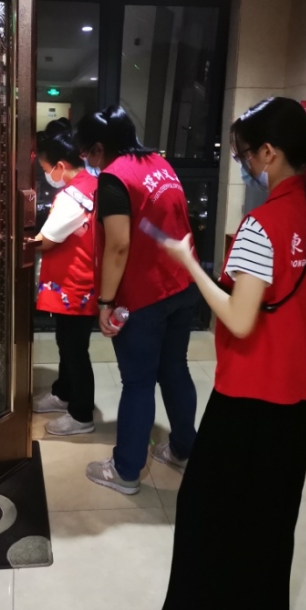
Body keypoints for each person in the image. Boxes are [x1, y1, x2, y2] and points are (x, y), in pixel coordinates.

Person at [107, 97, 306, 610]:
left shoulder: (261, 226)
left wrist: (191, 264)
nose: (243, 165)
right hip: (299, 397)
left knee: (204, 510)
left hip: (249, 395)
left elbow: (240, 320)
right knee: (274, 510)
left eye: (244, 156)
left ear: (270, 153)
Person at [75, 106, 199, 495]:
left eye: (87, 153)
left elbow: (118, 245)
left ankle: (126, 471)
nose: (88, 161)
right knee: (175, 369)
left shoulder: (114, 178)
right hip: (182, 285)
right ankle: (182, 448)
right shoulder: (160, 163)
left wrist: (105, 302)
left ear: (99, 148)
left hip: (144, 297)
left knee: (138, 382)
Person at [32, 119, 98, 436]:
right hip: (80, 281)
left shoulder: (73, 197)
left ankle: (81, 414)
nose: (46, 176)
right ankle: (63, 393)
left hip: (75, 285)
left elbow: (46, 240)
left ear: (60, 166)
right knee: (67, 343)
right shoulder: (91, 183)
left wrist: (16, 244)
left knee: (74, 350)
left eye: (46, 169)